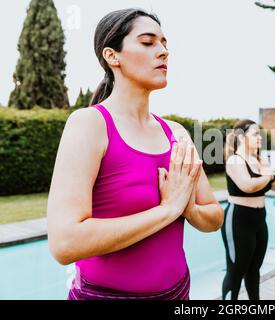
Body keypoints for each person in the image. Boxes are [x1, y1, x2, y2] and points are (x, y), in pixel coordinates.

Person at [46, 9, 223, 300]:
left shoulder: (176, 133)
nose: (164, 51)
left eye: (164, 43)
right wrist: (167, 210)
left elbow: (214, 216)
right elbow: (65, 243)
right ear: (112, 56)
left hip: (179, 294)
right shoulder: (90, 124)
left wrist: (187, 208)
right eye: (148, 42)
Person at [221, 120, 275, 300]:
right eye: (255, 134)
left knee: (254, 269)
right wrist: (269, 174)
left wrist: (268, 173)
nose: (259, 138)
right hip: (238, 219)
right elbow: (248, 186)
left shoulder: (259, 160)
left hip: (259, 220)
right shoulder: (235, 160)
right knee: (236, 271)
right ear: (241, 137)